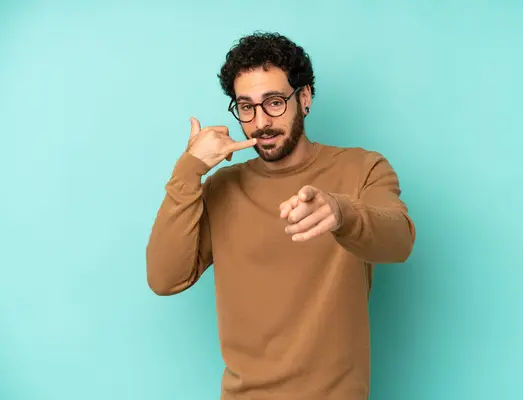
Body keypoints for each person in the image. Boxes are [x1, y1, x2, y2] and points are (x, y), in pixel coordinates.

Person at [145, 31, 416, 400]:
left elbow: (399, 241)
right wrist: (189, 169)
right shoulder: (223, 188)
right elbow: (165, 278)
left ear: (304, 98)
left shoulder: (362, 168)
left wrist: (340, 213)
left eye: (274, 102)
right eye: (246, 107)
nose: (260, 122)